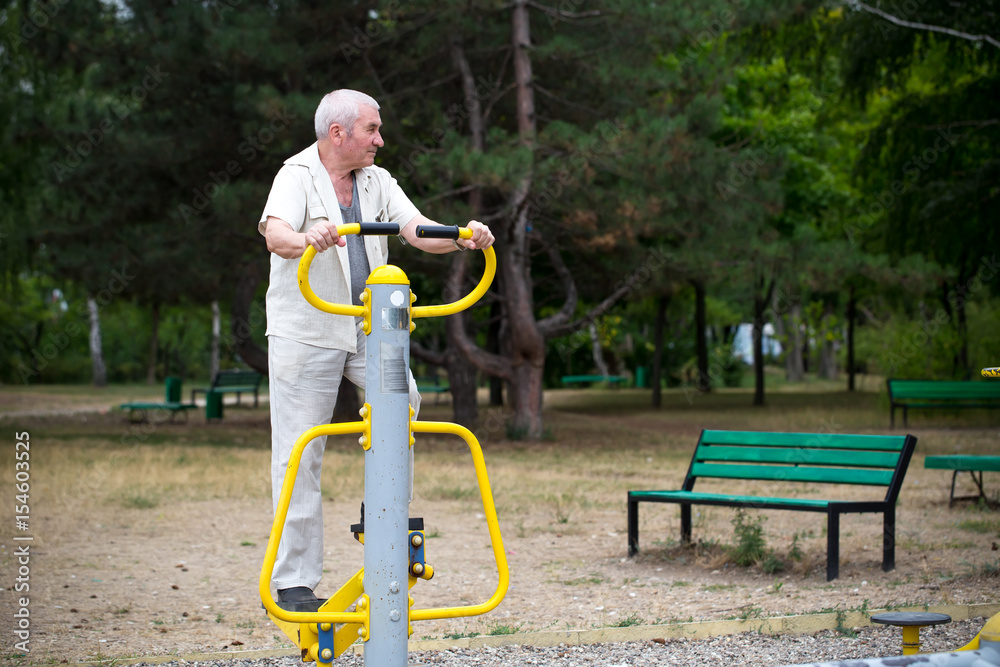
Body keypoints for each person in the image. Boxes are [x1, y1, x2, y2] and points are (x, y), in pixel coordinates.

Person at [258, 89, 494, 612]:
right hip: (308, 329)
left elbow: (415, 230)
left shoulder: (377, 180)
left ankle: (383, 512)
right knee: (300, 451)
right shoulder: (295, 175)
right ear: (337, 133)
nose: (380, 140)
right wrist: (308, 237)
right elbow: (275, 233)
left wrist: (462, 236)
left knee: (403, 403)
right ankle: (295, 581)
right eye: (372, 130)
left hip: (368, 328)